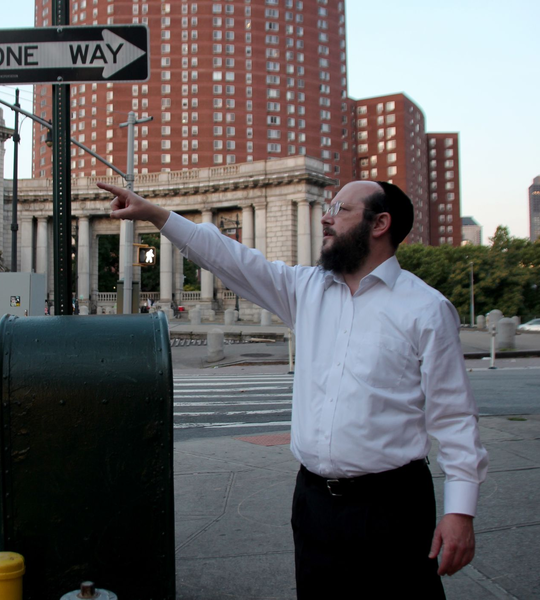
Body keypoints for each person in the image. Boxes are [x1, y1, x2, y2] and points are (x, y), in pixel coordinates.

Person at [97, 179, 488, 598]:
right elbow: (229, 258)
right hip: (314, 504)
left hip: (392, 506)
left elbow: (454, 416)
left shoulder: (426, 309)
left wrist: (460, 512)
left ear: (380, 224)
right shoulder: (306, 289)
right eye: (328, 208)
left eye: (340, 209)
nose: (325, 218)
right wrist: (156, 214)